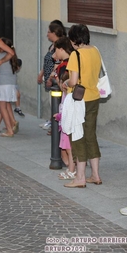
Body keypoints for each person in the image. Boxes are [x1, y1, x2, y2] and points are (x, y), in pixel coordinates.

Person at [62, 24, 102, 188]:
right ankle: (95, 175)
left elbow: (73, 81)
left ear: (73, 40)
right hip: (94, 97)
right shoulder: (95, 51)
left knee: (77, 136)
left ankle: (80, 178)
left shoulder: (75, 55)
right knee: (91, 135)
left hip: (80, 100)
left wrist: (65, 82)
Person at [51, 37, 75, 180]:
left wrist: (56, 77)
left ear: (61, 49)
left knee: (67, 143)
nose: (54, 54)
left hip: (67, 106)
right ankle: (71, 167)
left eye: (55, 50)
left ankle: (71, 168)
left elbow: (64, 88)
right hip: (67, 107)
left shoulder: (64, 66)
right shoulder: (71, 62)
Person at [37, 20, 66, 131]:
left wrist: (51, 77)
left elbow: (57, 64)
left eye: (49, 32)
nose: (47, 34)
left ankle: (55, 125)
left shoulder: (60, 46)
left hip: (55, 79)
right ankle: (52, 122)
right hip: (50, 78)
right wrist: (41, 74)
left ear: (54, 33)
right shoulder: (52, 46)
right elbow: (47, 62)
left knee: (55, 102)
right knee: (52, 101)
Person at [0, 38, 20, 137]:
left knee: (2, 107)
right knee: (7, 104)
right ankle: (12, 123)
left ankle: (9, 130)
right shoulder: (12, 57)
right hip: (11, 83)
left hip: (3, 84)